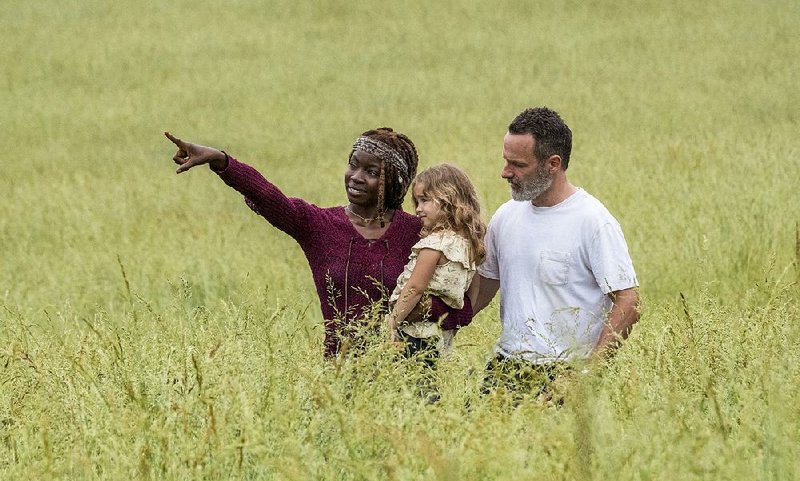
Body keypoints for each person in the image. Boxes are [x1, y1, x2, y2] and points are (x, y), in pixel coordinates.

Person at [164, 129, 473, 356]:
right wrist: (221, 161)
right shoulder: (321, 226)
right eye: (353, 165)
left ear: (394, 181)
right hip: (340, 372)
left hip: (409, 369)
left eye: (371, 172)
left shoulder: (419, 233)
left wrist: (423, 309)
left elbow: (460, 302)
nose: (355, 176)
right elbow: (270, 198)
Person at [472, 107, 639, 392]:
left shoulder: (593, 221)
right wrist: (433, 325)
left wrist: (586, 376)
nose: (505, 173)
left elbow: (628, 302)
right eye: (505, 161)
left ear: (553, 164)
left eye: (518, 165)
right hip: (505, 367)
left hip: (566, 372)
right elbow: (484, 287)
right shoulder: (505, 217)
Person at [386, 164, 486, 359]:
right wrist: (460, 320)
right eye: (417, 201)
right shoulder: (467, 245)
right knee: (430, 385)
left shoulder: (435, 244)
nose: (418, 209)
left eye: (424, 200)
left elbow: (415, 287)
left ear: (449, 199)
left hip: (414, 334)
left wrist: (391, 324)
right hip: (440, 337)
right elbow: (474, 285)